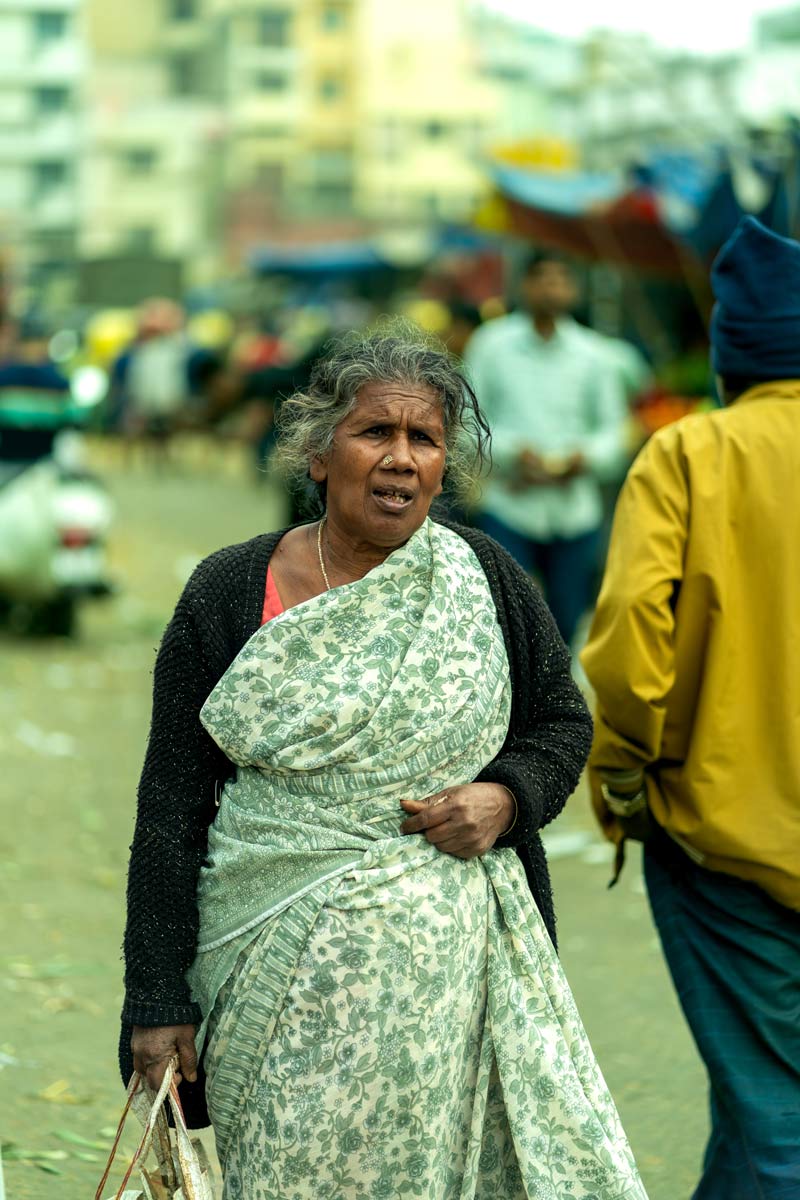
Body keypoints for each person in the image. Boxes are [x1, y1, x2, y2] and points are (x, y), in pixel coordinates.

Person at [120, 323, 648, 1198]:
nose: (401, 459)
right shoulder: (227, 588)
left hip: (452, 998)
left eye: (425, 439)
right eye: (376, 433)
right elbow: (171, 804)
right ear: (318, 454)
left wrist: (505, 799)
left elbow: (560, 723)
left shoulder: (487, 577)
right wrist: (156, 998)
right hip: (269, 987)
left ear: (446, 466)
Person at [581, 217, 800, 1199]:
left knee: (772, 1118)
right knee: (753, 1104)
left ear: (726, 359)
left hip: (720, 841)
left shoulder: (685, 456)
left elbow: (632, 644)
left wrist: (620, 772)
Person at [464, 250, 628, 648]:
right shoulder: (492, 345)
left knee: (567, 618)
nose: (551, 287)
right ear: (525, 285)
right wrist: (515, 454)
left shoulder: (596, 355)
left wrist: (582, 458)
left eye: (561, 278)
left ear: (574, 289)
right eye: (542, 278)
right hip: (509, 504)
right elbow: (467, 421)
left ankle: (554, 706)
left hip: (574, 509)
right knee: (505, 616)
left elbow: (614, 432)